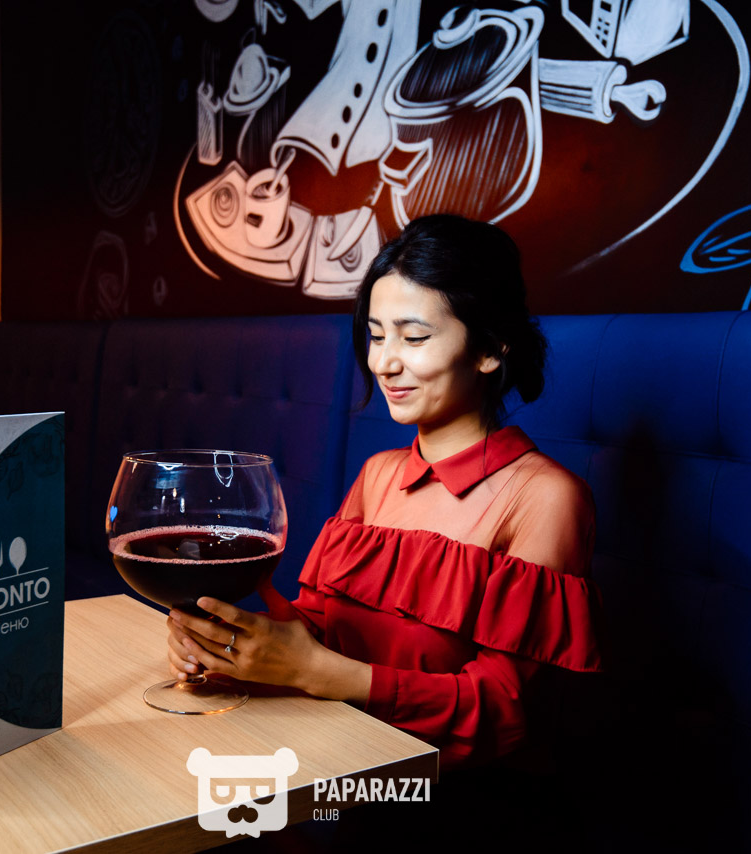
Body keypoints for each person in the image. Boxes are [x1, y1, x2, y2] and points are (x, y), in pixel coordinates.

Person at [167, 215, 605, 833]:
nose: (384, 362)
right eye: (375, 336)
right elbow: (323, 626)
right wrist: (231, 642)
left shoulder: (547, 497)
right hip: (335, 761)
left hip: (452, 804)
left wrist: (315, 671)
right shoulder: (378, 474)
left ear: (489, 348)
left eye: (414, 337)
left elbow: (500, 710)